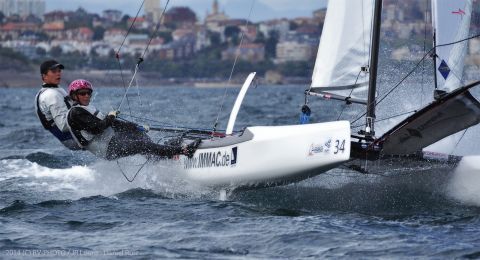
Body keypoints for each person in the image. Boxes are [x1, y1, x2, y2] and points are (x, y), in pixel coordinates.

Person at [66, 79, 200, 160]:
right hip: (106, 149)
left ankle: (158, 155)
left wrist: (136, 127)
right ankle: (183, 151)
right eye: (82, 93)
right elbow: (97, 128)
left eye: (88, 93)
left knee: (139, 134)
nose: (87, 96)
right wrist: (111, 117)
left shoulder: (85, 108)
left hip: (112, 141)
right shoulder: (75, 112)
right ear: (74, 96)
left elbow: (114, 124)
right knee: (140, 145)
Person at [35, 60, 81, 150]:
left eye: (59, 71)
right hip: (72, 139)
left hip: (73, 135)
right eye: (53, 71)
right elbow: (63, 126)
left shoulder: (53, 90)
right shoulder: (51, 95)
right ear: (44, 76)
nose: (58, 74)